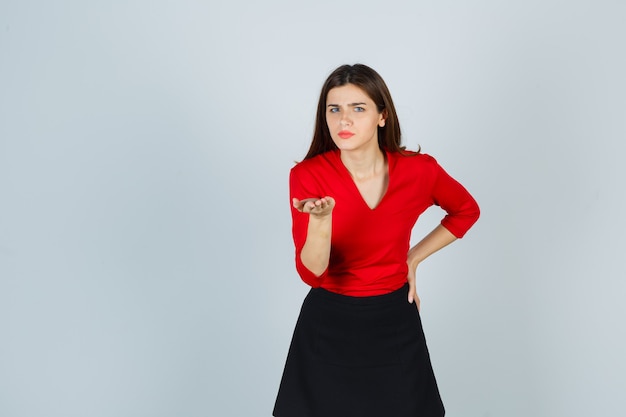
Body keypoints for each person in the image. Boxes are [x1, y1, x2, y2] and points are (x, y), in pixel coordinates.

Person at [273, 64, 480, 417]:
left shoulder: (420, 170)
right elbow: (312, 274)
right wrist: (321, 221)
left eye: (358, 108)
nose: (343, 121)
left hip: (394, 320)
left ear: (382, 116)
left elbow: (466, 211)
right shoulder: (307, 176)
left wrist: (412, 259)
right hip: (328, 322)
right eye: (334, 109)